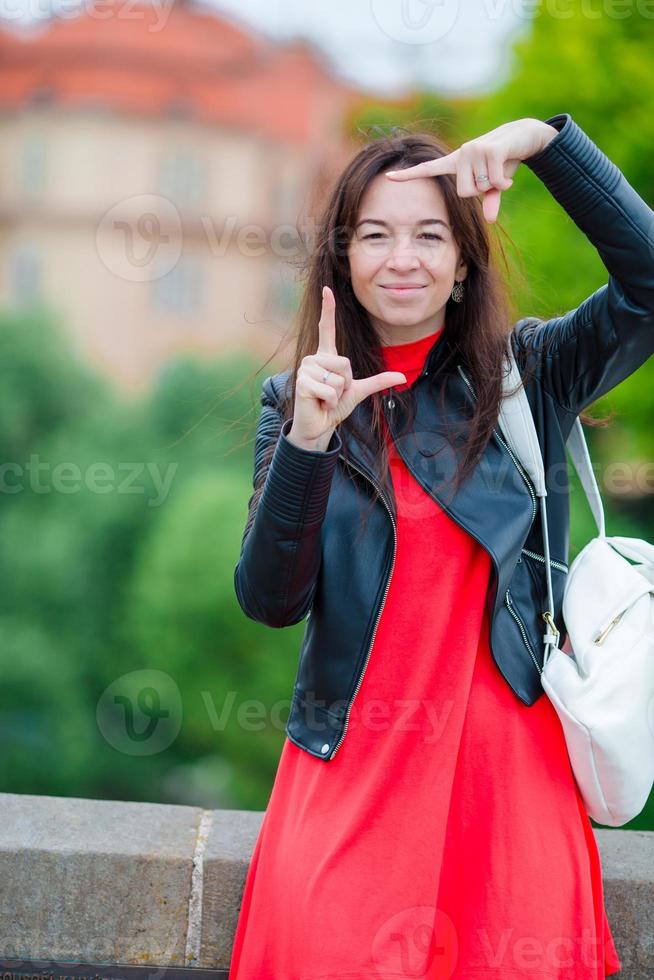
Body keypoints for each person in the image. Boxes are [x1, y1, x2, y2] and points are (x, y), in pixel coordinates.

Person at [229, 112, 653, 978]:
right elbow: (270, 600)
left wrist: (547, 143)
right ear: (342, 260)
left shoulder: (529, 376)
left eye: (430, 235)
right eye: (375, 235)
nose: (404, 258)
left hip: (510, 786)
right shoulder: (295, 402)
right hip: (351, 771)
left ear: (464, 259)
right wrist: (310, 444)